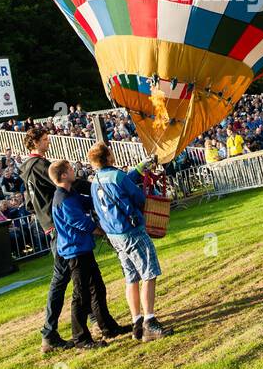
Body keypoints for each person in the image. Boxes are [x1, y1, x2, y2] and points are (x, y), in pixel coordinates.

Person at [87, 142, 168, 342]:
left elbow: (120, 183)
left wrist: (141, 167)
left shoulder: (95, 180)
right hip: (131, 230)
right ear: (108, 157)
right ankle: (150, 321)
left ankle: (137, 323)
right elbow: (139, 197)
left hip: (114, 235)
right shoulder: (117, 176)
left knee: (131, 277)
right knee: (149, 272)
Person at [48, 159, 127, 349]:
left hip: (83, 249)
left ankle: (108, 327)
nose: (74, 171)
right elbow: (81, 223)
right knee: (81, 295)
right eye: (70, 169)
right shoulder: (63, 199)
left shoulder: (70, 193)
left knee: (97, 288)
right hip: (75, 252)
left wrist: (103, 197)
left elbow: (87, 202)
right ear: (64, 175)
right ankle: (81, 338)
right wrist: (104, 230)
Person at [20, 127, 70, 353]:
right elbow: (62, 184)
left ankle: (96, 318)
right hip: (57, 223)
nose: (48, 142)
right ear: (35, 143)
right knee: (61, 276)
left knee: (80, 271)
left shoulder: (26, 169)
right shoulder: (40, 166)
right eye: (44, 140)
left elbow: (30, 204)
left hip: (48, 224)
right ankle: (49, 333)